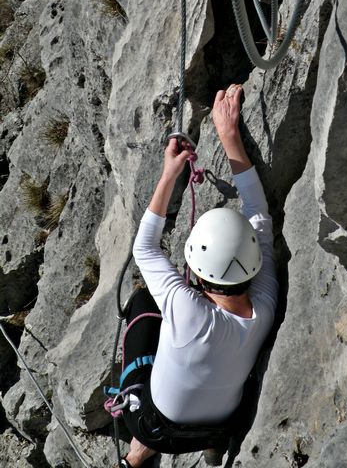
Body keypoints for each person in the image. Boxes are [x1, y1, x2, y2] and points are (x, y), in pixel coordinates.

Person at [118, 86, 278, 467]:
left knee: (141, 305)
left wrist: (167, 175)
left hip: (155, 427)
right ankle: (211, 449)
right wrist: (230, 136)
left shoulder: (188, 312)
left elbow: (144, 249)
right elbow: (260, 218)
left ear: (200, 280)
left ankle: (137, 454)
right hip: (222, 427)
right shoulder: (266, 303)